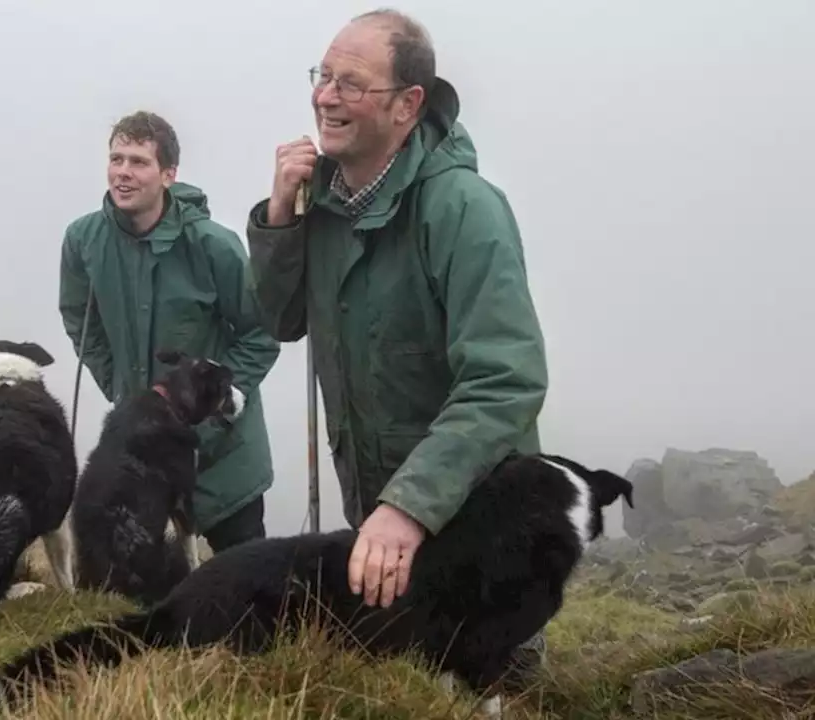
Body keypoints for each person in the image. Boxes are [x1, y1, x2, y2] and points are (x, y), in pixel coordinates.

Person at [244, 9, 551, 680]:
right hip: (376, 520)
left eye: (350, 84)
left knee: (486, 681)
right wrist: (277, 218)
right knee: (395, 682)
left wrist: (409, 507)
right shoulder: (319, 207)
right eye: (322, 76)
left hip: (474, 525)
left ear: (409, 104)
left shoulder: (465, 210)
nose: (325, 96)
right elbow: (282, 318)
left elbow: (505, 382)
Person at [59, 110, 281, 553]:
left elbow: (262, 332)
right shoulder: (83, 240)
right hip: (141, 455)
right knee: (143, 591)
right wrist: (121, 389)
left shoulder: (214, 245)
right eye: (116, 158)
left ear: (168, 174)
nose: (123, 172)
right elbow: (79, 319)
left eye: (139, 162)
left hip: (224, 456)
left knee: (244, 588)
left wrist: (213, 402)